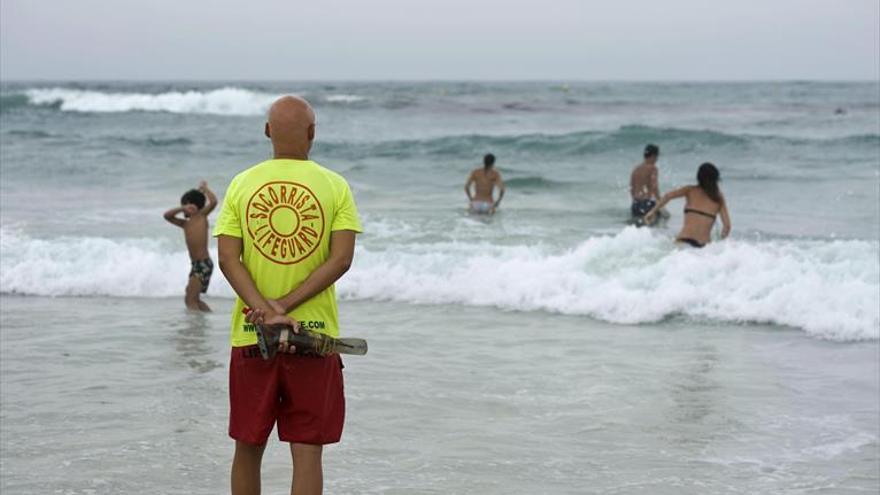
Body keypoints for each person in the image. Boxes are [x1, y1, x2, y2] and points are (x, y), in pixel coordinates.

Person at [214, 95, 362, 495]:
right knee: (307, 450)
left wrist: (265, 309)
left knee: (248, 446)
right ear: (313, 133)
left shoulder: (242, 183)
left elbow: (228, 259)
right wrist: (286, 307)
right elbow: (341, 259)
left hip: (252, 335)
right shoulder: (335, 185)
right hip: (312, 338)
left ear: (267, 132)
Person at [644, 162, 731, 248]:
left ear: (698, 177)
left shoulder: (689, 190)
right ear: (715, 179)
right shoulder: (718, 198)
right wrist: (720, 246)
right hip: (703, 248)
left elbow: (668, 196)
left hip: (683, 241)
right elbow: (727, 226)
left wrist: (652, 212)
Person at [163, 181, 217, 311]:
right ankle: (207, 317)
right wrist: (182, 208)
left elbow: (214, 202)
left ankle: (195, 327)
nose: (184, 209)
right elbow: (167, 216)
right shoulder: (185, 224)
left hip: (203, 264)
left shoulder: (201, 216)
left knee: (190, 299)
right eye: (183, 206)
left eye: (185, 205)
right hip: (196, 265)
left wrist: (205, 189)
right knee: (193, 298)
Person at [630, 144, 662, 225]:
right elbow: (654, 187)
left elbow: (632, 188)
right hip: (648, 204)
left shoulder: (636, 169)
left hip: (636, 204)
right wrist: (660, 203)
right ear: (653, 156)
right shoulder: (652, 168)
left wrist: (636, 201)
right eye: (656, 157)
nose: (657, 159)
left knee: (638, 228)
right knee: (658, 223)